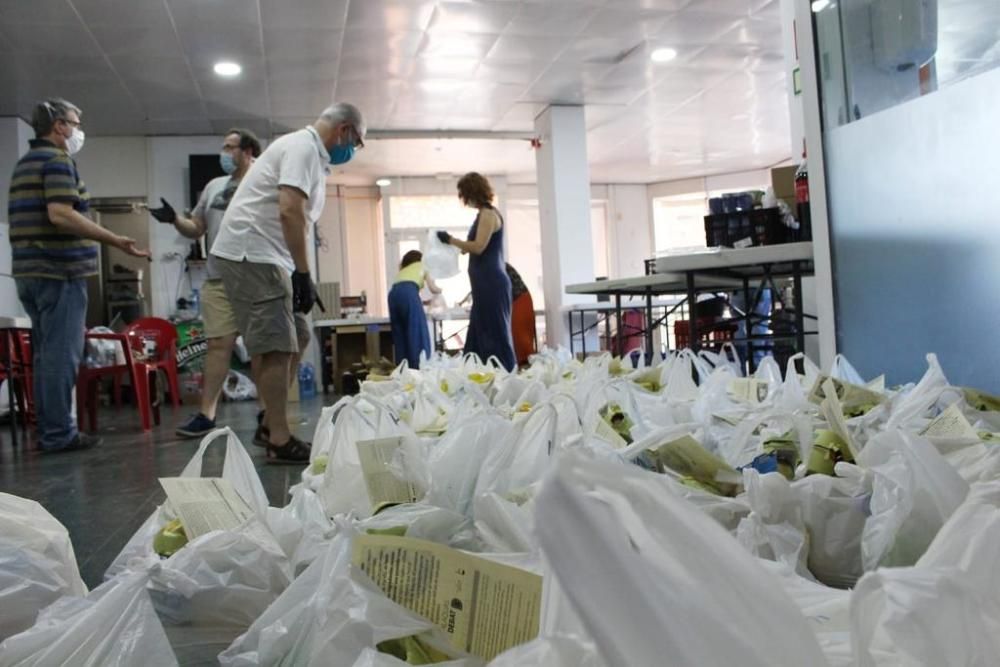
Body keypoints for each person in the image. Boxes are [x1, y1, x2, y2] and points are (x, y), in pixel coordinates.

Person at [211, 103, 365, 463]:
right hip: (253, 253)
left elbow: (296, 215)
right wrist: (303, 272)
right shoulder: (303, 147)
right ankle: (278, 438)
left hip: (268, 255)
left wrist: (298, 271)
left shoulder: (310, 153)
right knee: (276, 345)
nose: (353, 151)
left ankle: (270, 418)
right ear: (343, 129)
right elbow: (289, 209)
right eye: (356, 142)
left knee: (299, 335)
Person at [7, 98, 150, 453]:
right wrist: (114, 239)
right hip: (59, 271)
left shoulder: (25, 163)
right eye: (74, 123)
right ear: (59, 126)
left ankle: (49, 431)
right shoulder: (57, 160)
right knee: (60, 355)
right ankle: (58, 435)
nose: (77, 130)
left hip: (29, 272)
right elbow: (61, 214)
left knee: (45, 356)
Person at [146, 129, 262, 438]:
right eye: (223, 146)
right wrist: (174, 220)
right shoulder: (213, 186)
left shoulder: (265, 180)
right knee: (217, 346)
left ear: (248, 150)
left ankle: (268, 414)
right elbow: (196, 228)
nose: (223, 152)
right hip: (218, 280)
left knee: (261, 348)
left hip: (256, 278)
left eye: (230, 146)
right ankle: (206, 415)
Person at [436, 172, 515, 371]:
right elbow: (475, 247)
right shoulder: (482, 215)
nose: (465, 200)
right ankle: (478, 378)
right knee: (480, 333)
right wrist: (455, 247)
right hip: (483, 285)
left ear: (473, 193)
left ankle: (505, 376)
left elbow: (479, 247)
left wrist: (451, 240)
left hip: (492, 283)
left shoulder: (489, 215)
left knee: (495, 333)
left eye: (465, 194)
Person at [388, 250, 440, 369]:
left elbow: (404, 295)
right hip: (409, 293)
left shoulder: (403, 271)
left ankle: (403, 372)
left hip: (393, 295)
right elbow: (433, 289)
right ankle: (419, 371)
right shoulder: (424, 265)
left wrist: (424, 302)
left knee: (400, 337)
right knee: (417, 334)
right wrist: (441, 291)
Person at [506, 263, 537, 366]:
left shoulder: (495, 264)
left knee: (522, 345)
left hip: (519, 300)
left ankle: (528, 377)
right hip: (516, 301)